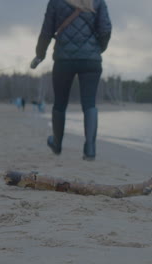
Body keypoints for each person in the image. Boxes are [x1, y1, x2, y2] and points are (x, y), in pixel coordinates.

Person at [30, 0, 112, 161]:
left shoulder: (56, 2)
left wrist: (40, 55)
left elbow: (46, 31)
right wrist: (97, 49)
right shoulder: (98, 1)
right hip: (91, 61)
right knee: (89, 104)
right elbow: (106, 30)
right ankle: (90, 149)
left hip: (63, 60)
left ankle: (57, 144)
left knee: (60, 104)